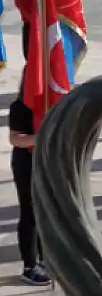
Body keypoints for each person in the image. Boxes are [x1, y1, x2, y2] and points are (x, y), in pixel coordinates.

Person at [10, 94, 47, 285]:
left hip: (48, 161)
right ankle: (30, 265)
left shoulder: (54, 100)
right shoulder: (20, 106)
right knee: (30, 212)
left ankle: (46, 259)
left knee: (47, 212)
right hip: (26, 163)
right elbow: (16, 139)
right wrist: (40, 137)